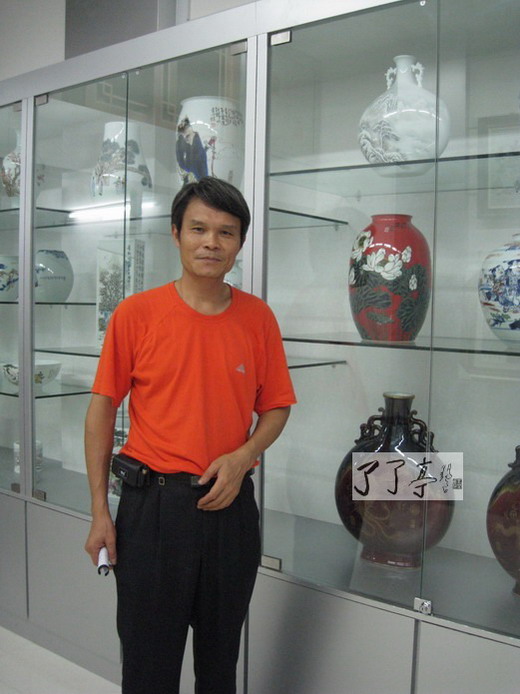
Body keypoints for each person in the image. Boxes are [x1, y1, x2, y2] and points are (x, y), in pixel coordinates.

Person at [84, 176, 296, 694]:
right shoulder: (137, 314)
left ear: (240, 242)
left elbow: (276, 407)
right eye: (198, 229)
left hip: (230, 508)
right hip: (153, 510)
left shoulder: (258, 318)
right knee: (148, 668)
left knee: (220, 666)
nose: (211, 243)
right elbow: (102, 410)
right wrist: (99, 511)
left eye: (226, 232)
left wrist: (243, 456)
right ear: (176, 233)